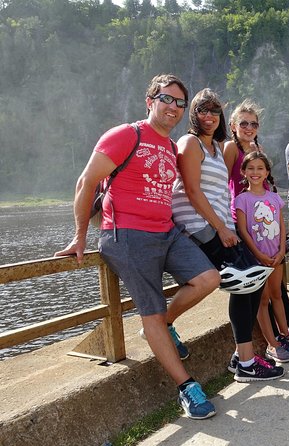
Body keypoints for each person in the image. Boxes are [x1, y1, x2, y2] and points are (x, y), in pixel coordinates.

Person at [55, 74, 220, 419]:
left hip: (167, 231)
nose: (172, 107)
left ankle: (160, 327)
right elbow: (86, 182)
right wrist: (80, 235)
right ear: (150, 101)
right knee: (152, 313)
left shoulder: (171, 148)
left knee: (208, 279)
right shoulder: (126, 135)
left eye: (179, 102)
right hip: (127, 235)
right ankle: (186, 387)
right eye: (165, 99)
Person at [171, 88, 284, 383]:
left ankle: (241, 356)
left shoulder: (215, 148)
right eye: (202, 110)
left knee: (254, 278)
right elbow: (192, 190)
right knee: (248, 280)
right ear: (193, 114)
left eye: (214, 110)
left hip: (221, 225)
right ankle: (245, 362)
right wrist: (220, 228)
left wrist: (227, 226)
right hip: (200, 226)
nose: (208, 116)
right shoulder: (190, 142)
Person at [235, 151, 289, 363]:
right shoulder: (241, 200)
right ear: (243, 171)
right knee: (262, 300)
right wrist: (259, 255)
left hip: (276, 256)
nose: (255, 172)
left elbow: (282, 226)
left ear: (267, 172)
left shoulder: (274, 197)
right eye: (251, 168)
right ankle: (272, 345)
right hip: (257, 259)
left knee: (277, 295)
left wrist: (282, 250)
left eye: (260, 168)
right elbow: (243, 232)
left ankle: (285, 335)